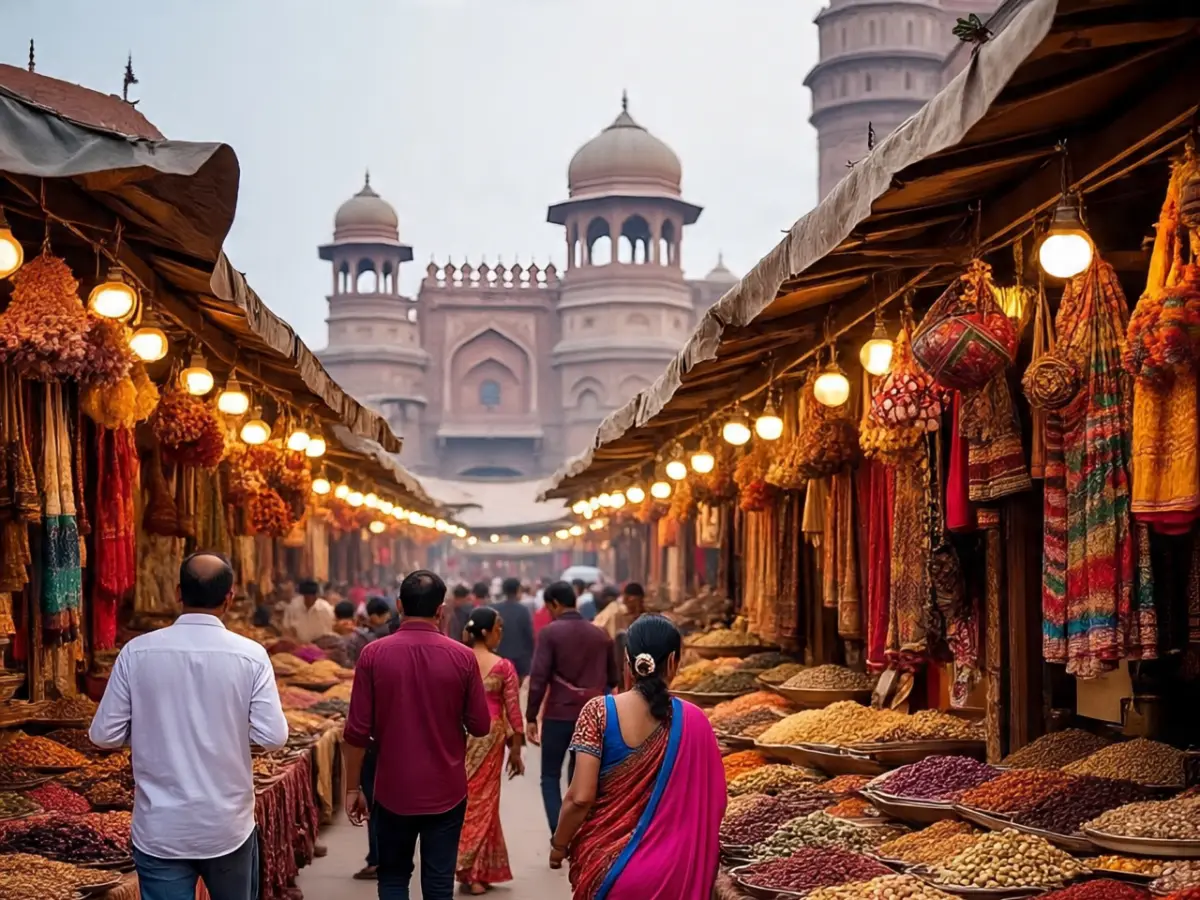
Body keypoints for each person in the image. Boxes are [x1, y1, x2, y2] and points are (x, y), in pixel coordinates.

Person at [89, 552, 289, 900]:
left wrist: (153, 727)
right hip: (227, 825)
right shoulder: (251, 655)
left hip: (161, 829)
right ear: (230, 597)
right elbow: (273, 736)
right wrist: (230, 728)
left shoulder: (137, 652)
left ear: (178, 593)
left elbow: (103, 735)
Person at [550, 615, 725, 899]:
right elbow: (714, 803)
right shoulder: (696, 721)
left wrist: (559, 845)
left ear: (628, 661)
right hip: (676, 873)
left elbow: (580, 797)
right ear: (673, 662)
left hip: (609, 871)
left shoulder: (598, 712)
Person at [343, 571, 491, 900]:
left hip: (391, 788)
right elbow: (481, 725)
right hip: (446, 788)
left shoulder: (373, 655)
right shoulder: (463, 657)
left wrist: (353, 788)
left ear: (398, 606)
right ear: (441, 610)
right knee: (439, 883)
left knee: (393, 877)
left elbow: (355, 732)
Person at [526, 581, 618, 833]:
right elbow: (613, 679)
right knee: (581, 777)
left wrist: (531, 716)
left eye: (549, 607)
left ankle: (558, 832)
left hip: (559, 714)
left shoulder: (550, 633)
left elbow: (538, 678)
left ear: (555, 603)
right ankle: (577, 831)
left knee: (550, 776)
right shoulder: (600, 634)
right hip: (593, 717)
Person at [455, 608, 525, 895]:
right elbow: (514, 711)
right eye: (498, 628)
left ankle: (469, 868)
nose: (501, 634)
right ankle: (474, 874)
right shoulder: (503, 666)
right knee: (484, 803)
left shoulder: (458, 660)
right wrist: (517, 752)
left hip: (459, 737)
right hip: (490, 738)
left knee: (464, 802)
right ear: (486, 631)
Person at [490, 577, 535, 681]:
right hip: (519, 661)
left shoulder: (494, 609)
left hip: (498, 657)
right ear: (518, 590)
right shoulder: (523, 610)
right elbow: (528, 635)